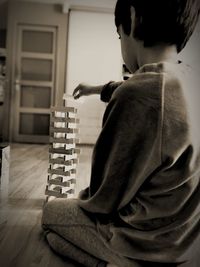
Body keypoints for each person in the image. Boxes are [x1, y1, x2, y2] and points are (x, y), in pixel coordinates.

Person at [42, 0, 200, 266]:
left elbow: (104, 200)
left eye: (119, 35)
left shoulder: (137, 95)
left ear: (133, 16)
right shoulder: (191, 81)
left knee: (52, 214)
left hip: (146, 243)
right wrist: (96, 89)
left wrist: (82, 201)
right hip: (186, 239)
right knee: (55, 239)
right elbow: (157, 95)